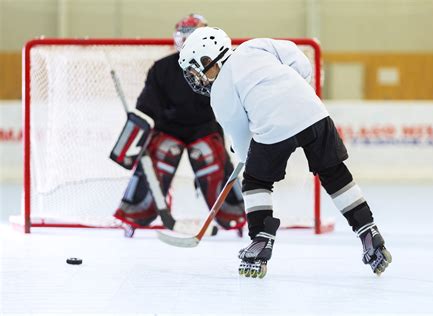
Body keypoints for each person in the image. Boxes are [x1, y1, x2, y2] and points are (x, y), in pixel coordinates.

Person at [178, 27, 392, 278]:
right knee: (334, 173)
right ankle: (368, 230)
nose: (198, 79)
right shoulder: (254, 46)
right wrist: (290, 93)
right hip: (314, 111)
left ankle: (260, 242)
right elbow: (299, 60)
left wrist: (246, 153)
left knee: (257, 181)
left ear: (208, 58)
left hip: (274, 126)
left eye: (196, 70)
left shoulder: (220, 92)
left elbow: (243, 139)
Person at [113, 15, 246, 237]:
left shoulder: (217, 67)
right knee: (161, 154)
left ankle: (235, 215)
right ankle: (135, 214)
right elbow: (147, 107)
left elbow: (228, 103)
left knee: (209, 157)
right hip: (168, 129)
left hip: (204, 128)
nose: (185, 41)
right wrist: (134, 135)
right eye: (182, 35)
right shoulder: (162, 69)